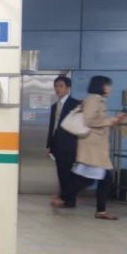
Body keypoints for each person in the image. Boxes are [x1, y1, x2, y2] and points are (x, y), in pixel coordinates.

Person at [53, 75, 126, 220]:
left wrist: (112, 120)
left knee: (96, 178)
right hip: (93, 146)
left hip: (96, 147)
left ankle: (99, 209)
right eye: (107, 85)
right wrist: (110, 121)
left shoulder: (98, 100)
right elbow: (88, 120)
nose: (109, 88)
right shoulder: (93, 100)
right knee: (95, 179)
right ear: (101, 86)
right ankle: (65, 196)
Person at [47, 76, 81, 208]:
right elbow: (52, 126)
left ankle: (69, 200)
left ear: (68, 88)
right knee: (61, 172)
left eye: (60, 86)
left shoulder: (75, 104)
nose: (57, 89)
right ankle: (65, 198)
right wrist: (49, 145)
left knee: (68, 172)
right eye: (56, 86)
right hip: (57, 144)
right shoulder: (54, 106)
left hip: (70, 144)